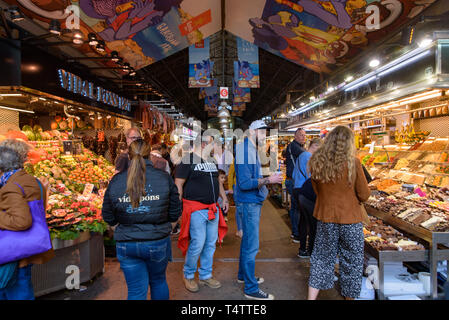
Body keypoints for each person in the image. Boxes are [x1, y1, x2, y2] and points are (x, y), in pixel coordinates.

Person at [102, 139, 181, 300]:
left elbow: (108, 215)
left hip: (127, 243)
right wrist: (168, 227)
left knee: (136, 291)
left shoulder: (117, 180)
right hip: (157, 240)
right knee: (158, 281)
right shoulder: (164, 178)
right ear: (150, 154)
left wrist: (118, 228)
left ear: (129, 156)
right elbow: (175, 210)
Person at [307, 126, 371, 300]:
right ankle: (349, 298)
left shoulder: (317, 161)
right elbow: (364, 195)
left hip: (326, 217)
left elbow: (317, 191)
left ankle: (311, 299)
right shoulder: (354, 162)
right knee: (352, 262)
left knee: (321, 258)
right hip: (350, 220)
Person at [234, 120, 283, 300]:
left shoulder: (250, 148)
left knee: (247, 243)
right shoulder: (245, 150)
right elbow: (245, 183)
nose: (265, 135)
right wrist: (269, 181)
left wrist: (267, 178)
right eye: (262, 131)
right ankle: (250, 288)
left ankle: (243, 276)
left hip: (252, 201)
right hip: (248, 202)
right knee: (251, 247)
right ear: (253, 131)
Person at [0, 141, 54, 300]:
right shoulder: (33, 180)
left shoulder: (11, 186)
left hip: (14, 253)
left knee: (16, 290)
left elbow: (22, 221)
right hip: (27, 247)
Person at [175, 134, 229, 293]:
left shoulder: (211, 161)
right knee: (198, 243)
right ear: (204, 144)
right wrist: (178, 208)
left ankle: (205, 275)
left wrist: (224, 198)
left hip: (212, 209)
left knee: (210, 244)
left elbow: (217, 182)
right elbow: (178, 184)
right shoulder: (187, 160)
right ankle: (189, 275)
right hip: (195, 210)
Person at [291, 138, 322, 258]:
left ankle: (302, 248)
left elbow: (294, 174)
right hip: (307, 191)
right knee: (311, 223)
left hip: (297, 189)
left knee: (303, 220)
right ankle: (310, 250)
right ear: (315, 146)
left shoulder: (301, 155)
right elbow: (312, 175)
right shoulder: (309, 157)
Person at [284, 128, 306, 243]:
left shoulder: (297, 147)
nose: (304, 137)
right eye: (301, 135)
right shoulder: (294, 146)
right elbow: (308, 155)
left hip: (293, 180)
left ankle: (296, 232)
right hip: (293, 181)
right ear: (295, 136)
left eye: (304, 135)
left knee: (295, 207)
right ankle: (296, 233)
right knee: (297, 208)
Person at [228, 160, 243, 238]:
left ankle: (243, 229)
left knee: (244, 208)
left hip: (247, 187)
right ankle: (240, 229)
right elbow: (230, 174)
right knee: (239, 208)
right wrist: (230, 187)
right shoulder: (235, 160)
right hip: (237, 187)